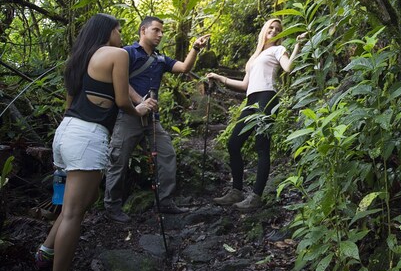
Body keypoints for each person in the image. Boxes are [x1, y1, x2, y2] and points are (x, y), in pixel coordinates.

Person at [34, 13, 157, 271]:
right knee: (75, 213)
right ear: (108, 31)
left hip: (66, 134)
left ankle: (46, 252)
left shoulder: (78, 59)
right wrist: (138, 111)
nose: (120, 35)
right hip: (88, 137)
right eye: (119, 29)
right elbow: (122, 100)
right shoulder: (116, 54)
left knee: (71, 206)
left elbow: (69, 104)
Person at [102, 16, 209, 223]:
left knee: (166, 154)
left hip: (152, 120)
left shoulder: (161, 59)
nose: (160, 35)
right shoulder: (127, 53)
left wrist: (195, 47)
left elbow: (184, 68)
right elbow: (120, 82)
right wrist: (140, 101)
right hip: (128, 116)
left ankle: (165, 201)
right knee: (118, 160)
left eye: (162, 31)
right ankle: (112, 206)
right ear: (143, 30)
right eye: (156, 30)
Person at [206, 19, 306, 210]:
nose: (274, 30)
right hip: (251, 100)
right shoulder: (255, 56)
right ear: (264, 29)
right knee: (233, 143)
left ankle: (256, 196)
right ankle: (236, 191)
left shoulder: (278, 50)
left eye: (278, 29)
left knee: (262, 146)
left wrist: (298, 45)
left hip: (267, 98)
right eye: (271, 27)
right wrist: (219, 77)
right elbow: (244, 85)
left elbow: (289, 68)